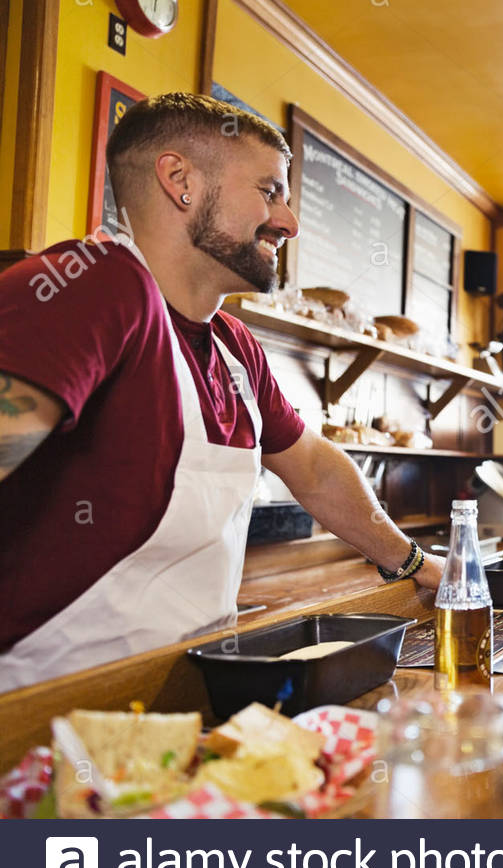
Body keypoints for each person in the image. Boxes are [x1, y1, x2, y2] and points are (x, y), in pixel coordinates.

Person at [0, 93, 443, 692]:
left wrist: (414, 562)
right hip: (48, 717)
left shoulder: (235, 347)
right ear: (180, 180)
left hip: (190, 695)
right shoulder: (96, 285)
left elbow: (311, 467)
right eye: (270, 191)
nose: (289, 222)